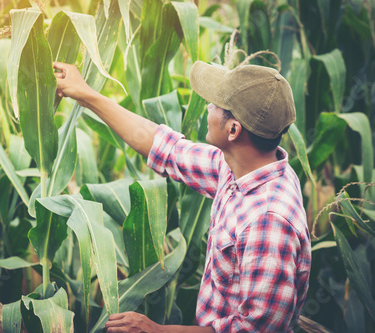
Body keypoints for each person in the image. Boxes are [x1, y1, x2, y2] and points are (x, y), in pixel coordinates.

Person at [53, 60, 311, 332]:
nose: (208, 107)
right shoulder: (243, 167)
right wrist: (85, 94)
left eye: (215, 104)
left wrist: (157, 330)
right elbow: (165, 147)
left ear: (233, 130)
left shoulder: (268, 223)